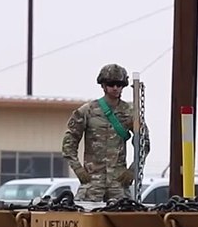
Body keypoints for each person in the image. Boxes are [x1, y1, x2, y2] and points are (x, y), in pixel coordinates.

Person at [61, 63, 151, 202]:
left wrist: (133, 170)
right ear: (103, 85)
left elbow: (143, 144)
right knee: (85, 217)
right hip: (92, 182)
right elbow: (69, 143)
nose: (115, 88)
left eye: (119, 84)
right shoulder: (87, 111)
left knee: (124, 218)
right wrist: (78, 169)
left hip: (119, 182)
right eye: (111, 84)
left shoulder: (130, 112)